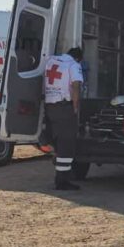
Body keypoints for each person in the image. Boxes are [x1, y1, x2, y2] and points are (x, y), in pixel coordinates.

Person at [44, 47, 84, 191]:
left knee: (58, 141)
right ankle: (62, 181)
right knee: (67, 144)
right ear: (79, 58)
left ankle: (60, 176)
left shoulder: (51, 60)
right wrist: (75, 106)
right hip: (64, 107)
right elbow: (75, 85)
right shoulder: (74, 65)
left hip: (50, 106)